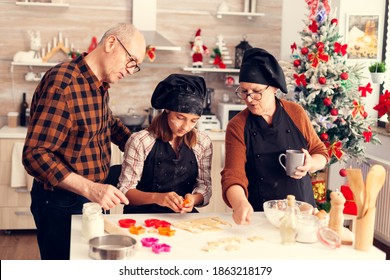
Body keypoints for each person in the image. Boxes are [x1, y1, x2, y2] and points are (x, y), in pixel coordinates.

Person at [22, 23, 146, 260]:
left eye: (136, 66)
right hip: (61, 204)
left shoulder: (99, 84)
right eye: (132, 60)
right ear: (111, 43)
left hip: (88, 199)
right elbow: (35, 155)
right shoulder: (63, 84)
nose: (131, 70)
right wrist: (91, 188)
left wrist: (142, 144)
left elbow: (107, 123)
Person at [221, 48, 329, 225]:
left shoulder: (296, 113)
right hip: (260, 215)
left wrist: (311, 164)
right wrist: (240, 203)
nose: (249, 99)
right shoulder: (237, 126)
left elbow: (320, 152)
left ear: (274, 88)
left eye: (256, 91)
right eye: (244, 91)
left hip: (302, 213)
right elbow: (233, 176)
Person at [118, 74, 213, 214]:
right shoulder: (140, 141)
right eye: (180, 118)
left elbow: (205, 188)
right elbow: (125, 191)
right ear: (167, 110)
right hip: (141, 215)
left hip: (181, 216)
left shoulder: (202, 142)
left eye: (193, 121)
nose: (186, 127)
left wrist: (193, 199)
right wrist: (157, 198)